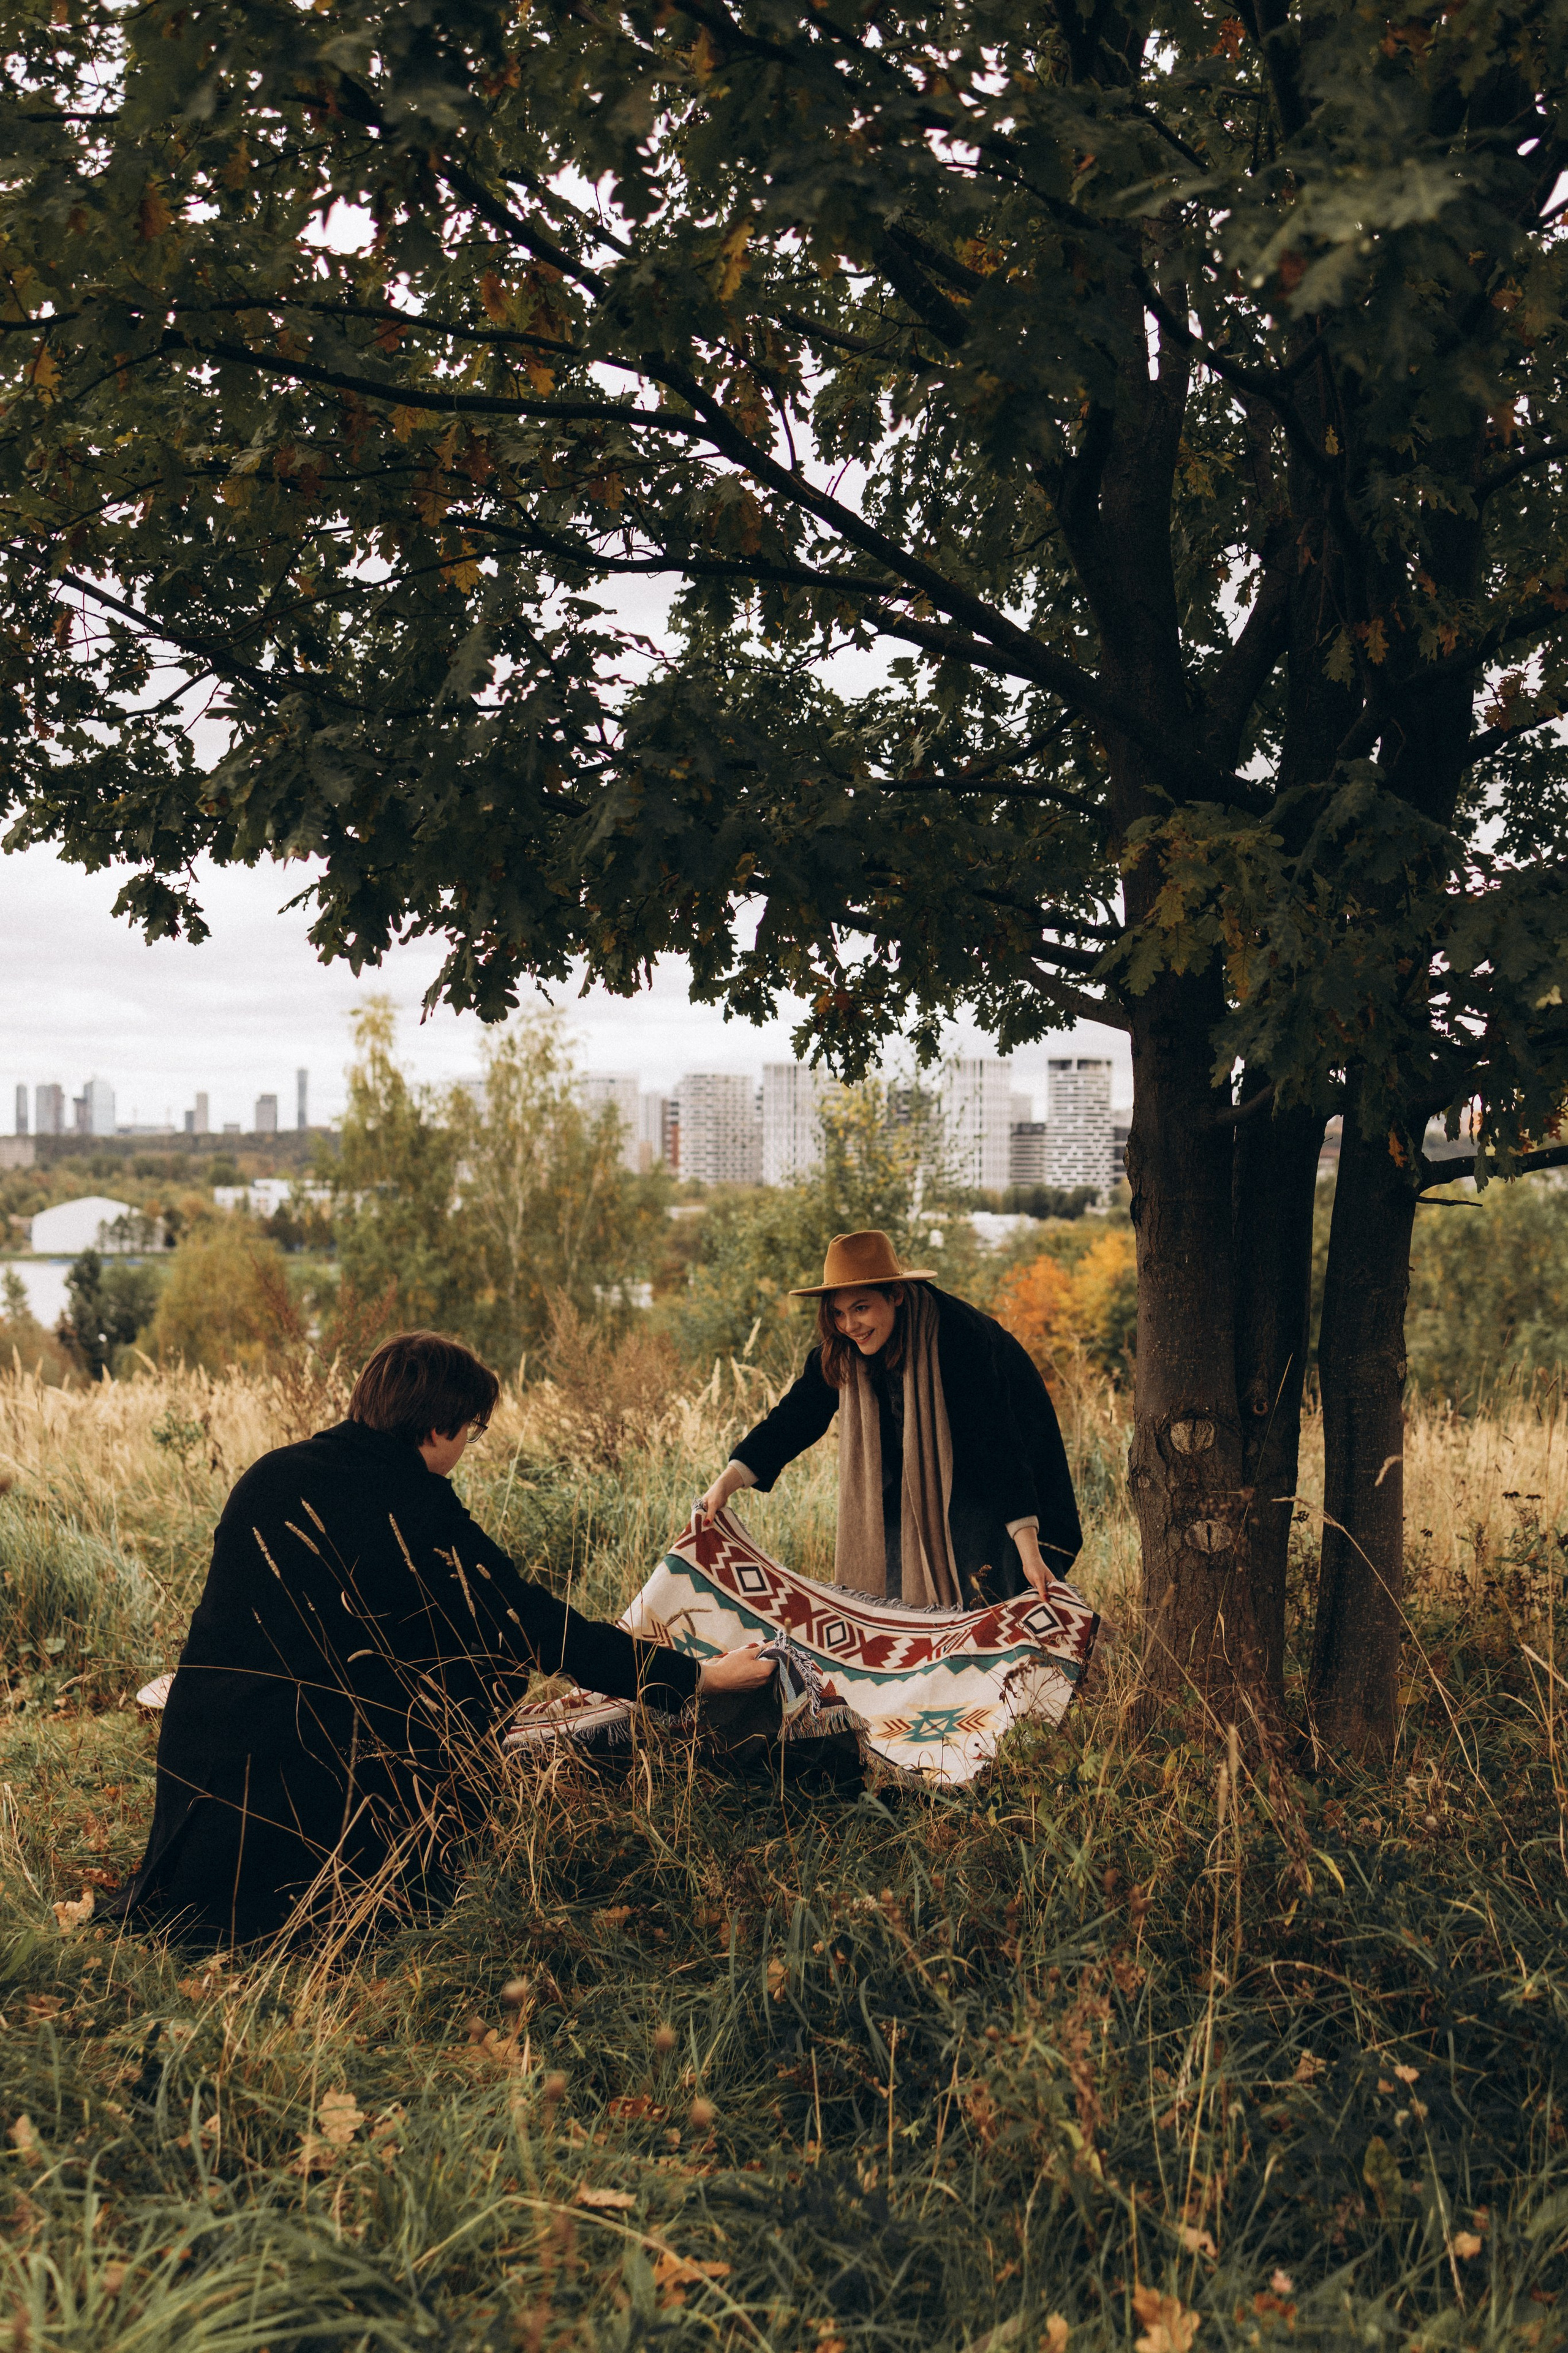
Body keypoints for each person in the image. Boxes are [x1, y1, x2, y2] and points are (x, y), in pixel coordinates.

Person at [111, 1331, 773, 1946]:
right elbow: (533, 1626)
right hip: (306, 1812)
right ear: (437, 1426)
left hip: (200, 1795)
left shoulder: (271, 1473)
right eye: (470, 1433)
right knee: (484, 1668)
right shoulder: (417, 1503)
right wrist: (696, 1679)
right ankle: (410, 1856)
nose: (464, 1450)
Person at [699, 1230, 1082, 1609]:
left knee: (996, 1600)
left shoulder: (958, 1338)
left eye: (861, 1308)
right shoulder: (843, 1349)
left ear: (896, 1296)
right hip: (909, 1485)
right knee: (897, 1587)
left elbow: (997, 1444)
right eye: (837, 1313)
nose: (849, 1325)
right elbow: (796, 1416)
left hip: (1005, 1486)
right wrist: (724, 1485)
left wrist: (1030, 1550)